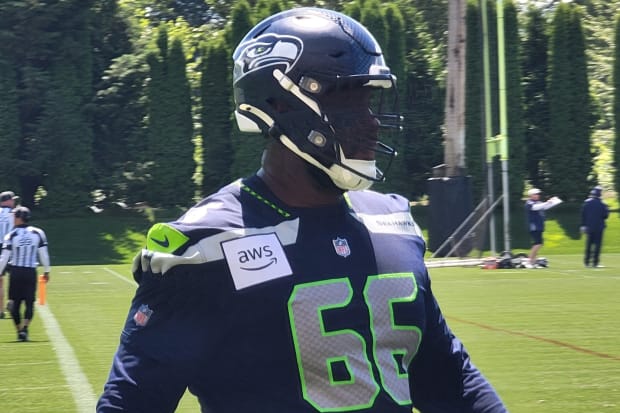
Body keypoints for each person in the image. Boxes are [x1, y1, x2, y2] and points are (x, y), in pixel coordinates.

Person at [98, 8, 507, 412]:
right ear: (278, 105)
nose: (371, 122)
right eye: (347, 101)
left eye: (369, 101)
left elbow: (445, 374)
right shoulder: (208, 247)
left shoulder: (393, 221)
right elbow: (132, 403)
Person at [0, 206, 51, 341]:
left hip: (16, 271)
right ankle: (25, 328)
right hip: (30, 271)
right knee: (29, 302)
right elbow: (43, 254)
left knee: (14, 303)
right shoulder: (38, 233)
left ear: (18, 218)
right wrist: (47, 270)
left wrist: (0, 272)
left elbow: (4, 257)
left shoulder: (11, 235)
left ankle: (19, 330)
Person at [524, 188, 561, 268]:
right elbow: (536, 207)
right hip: (534, 226)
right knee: (538, 244)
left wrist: (554, 202)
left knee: (537, 244)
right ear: (531, 195)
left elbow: (545, 207)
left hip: (539, 226)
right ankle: (529, 262)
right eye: (536, 194)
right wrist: (547, 202)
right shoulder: (529, 203)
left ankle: (532, 262)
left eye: (538, 194)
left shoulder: (538, 202)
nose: (538, 195)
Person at [580, 186, 609, 268]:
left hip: (589, 227)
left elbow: (583, 215)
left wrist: (583, 225)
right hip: (599, 227)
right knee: (597, 245)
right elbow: (605, 216)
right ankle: (595, 263)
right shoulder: (603, 204)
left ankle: (586, 262)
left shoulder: (587, 203)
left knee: (588, 245)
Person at [0, 190, 18, 319]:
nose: (14, 202)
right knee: (15, 278)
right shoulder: (14, 214)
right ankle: (11, 301)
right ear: (8, 201)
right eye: (12, 200)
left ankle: (0, 310)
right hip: (10, 248)